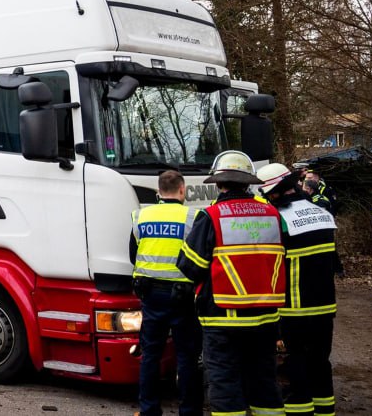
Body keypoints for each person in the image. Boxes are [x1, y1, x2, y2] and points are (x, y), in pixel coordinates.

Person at [177, 150, 286, 416]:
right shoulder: (272, 214)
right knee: (264, 384)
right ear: (248, 182)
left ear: (219, 183)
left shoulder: (212, 216)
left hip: (222, 319)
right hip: (265, 317)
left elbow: (191, 266)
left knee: (225, 385)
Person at [257, 163, 339, 416]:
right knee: (320, 360)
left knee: (296, 361)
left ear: (274, 192)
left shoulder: (279, 218)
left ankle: (299, 411)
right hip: (325, 305)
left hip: (295, 306)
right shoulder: (320, 211)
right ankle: (325, 410)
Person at [128, 170, 203, 416]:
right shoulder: (193, 216)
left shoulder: (141, 216)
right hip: (183, 296)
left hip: (150, 294)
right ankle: (189, 411)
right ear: (182, 190)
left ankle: (149, 409)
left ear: (159, 191)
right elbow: (200, 258)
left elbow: (133, 254)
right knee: (187, 356)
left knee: (150, 354)